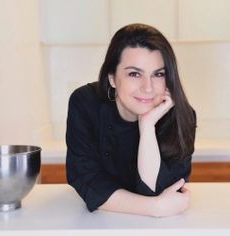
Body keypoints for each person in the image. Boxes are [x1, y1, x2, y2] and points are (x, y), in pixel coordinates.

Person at [66, 23, 196, 217]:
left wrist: (147, 127)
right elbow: (87, 180)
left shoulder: (182, 115)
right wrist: (155, 207)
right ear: (112, 77)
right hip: (98, 224)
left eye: (158, 74)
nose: (148, 88)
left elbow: (161, 190)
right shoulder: (86, 103)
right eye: (134, 74)